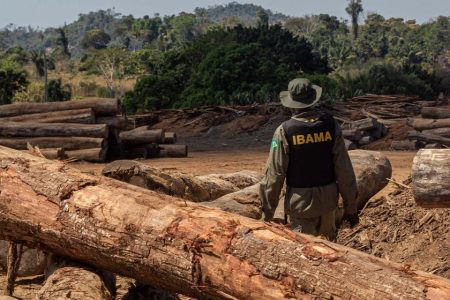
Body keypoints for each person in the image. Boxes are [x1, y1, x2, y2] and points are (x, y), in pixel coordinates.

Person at [259, 78, 358, 240]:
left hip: (301, 206)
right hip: (328, 203)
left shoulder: (284, 131)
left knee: (305, 253)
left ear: (291, 103)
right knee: (330, 251)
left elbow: (274, 175)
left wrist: (267, 214)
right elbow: (343, 168)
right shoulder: (331, 126)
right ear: (313, 100)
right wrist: (351, 207)